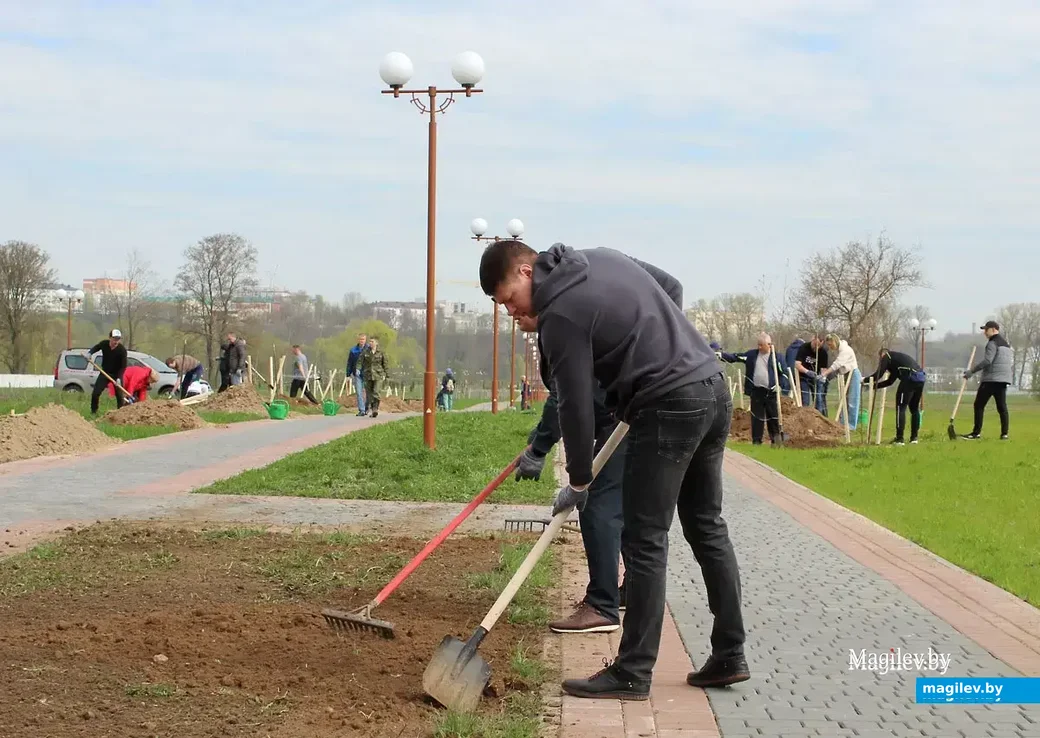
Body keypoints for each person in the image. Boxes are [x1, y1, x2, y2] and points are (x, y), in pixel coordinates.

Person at [479, 240, 748, 699]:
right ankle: (729, 654)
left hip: (670, 405)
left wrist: (579, 481)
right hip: (711, 387)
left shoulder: (559, 315)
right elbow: (672, 287)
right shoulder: (600, 257)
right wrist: (658, 355)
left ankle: (632, 671)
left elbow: (576, 407)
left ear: (526, 271)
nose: (510, 312)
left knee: (644, 540)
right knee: (706, 526)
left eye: (508, 300)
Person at [513, 312, 633, 635]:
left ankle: (602, 606)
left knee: (598, 507)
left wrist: (540, 449)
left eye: (512, 301)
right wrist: (537, 442)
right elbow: (563, 398)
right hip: (624, 415)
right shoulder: (565, 322)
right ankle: (630, 590)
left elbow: (565, 399)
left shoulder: (560, 326)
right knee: (626, 508)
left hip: (621, 421)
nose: (511, 312)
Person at [720, 333, 789, 445]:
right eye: (758, 345)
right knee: (757, 418)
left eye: (762, 345)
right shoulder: (752, 355)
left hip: (772, 392)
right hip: (756, 391)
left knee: (773, 417)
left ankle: (776, 441)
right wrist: (722, 355)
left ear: (769, 345)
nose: (760, 347)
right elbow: (736, 357)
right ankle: (756, 441)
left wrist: (780, 385)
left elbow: (785, 373)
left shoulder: (777, 357)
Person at [961, 320, 1013, 440]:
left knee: (979, 405)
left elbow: (987, 361)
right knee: (1002, 407)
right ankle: (1004, 434)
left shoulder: (992, 343)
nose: (985, 332)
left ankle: (976, 433)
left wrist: (971, 372)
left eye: (986, 329)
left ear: (994, 329)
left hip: (991, 379)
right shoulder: (1006, 345)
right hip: (1003, 380)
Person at [863, 348, 926, 445]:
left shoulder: (887, 356)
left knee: (900, 407)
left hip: (909, 378)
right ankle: (914, 438)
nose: (881, 362)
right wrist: (873, 387)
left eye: (880, 359)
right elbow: (890, 381)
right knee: (914, 409)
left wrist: (864, 380)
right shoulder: (897, 362)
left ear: (881, 355)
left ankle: (899, 439)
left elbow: (878, 375)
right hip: (920, 379)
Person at [820, 333, 861, 430]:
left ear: (835, 341)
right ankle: (843, 423)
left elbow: (837, 364)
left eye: (830, 344)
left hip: (853, 374)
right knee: (844, 400)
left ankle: (851, 425)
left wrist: (825, 373)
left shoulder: (845, 350)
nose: (830, 347)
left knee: (852, 400)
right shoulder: (838, 350)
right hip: (845, 374)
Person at [87, 329, 128, 415]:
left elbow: (123, 366)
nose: (116, 341)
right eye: (114, 339)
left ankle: (120, 414)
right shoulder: (104, 344)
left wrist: (119, 378)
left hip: (117, 375)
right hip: (105, 373)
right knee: (95, 393)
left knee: (120, 396)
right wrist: (90, 353)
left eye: (118, 339)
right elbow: (96, 347)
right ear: (110, 338)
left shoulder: (122, 350)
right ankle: (93, 412)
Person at [793, 334, 830, 415]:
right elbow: (797, 364)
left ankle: (819, 417)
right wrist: (807, 372)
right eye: (815, 344)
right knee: (805, 400)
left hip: (815, 378)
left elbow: (824, 369)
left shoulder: (823, 353)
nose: (816, 347)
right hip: (803, 377)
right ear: (812, 340)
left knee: (818, 400)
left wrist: (822, 378)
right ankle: (804, 417)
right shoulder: (804, 348)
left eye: (819, 346)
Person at [361, 337, 389, 417]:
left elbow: (385, 365)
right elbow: (360, 361)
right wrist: (358, 369)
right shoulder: (365, 352)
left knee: (376, 392)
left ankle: (375, 409)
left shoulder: (381, 353)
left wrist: (387, 375)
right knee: (369, 394)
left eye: (372, 341)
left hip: (378, 375)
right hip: (368, 375)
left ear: (376, 343)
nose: (370, 343)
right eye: (370, 341)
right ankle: (373, 409)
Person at [346, 333, 368, 416]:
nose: (362, 341)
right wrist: (348, 374)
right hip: (357, 374)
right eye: (360, 339)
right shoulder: (353, 350)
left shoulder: (369, 349)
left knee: (367, 392)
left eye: (363, 339)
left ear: (365, 340)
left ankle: (367, 408)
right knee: (359, 392)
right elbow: (350, 362)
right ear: (358, 340)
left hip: (367, 374)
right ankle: (362, 410)